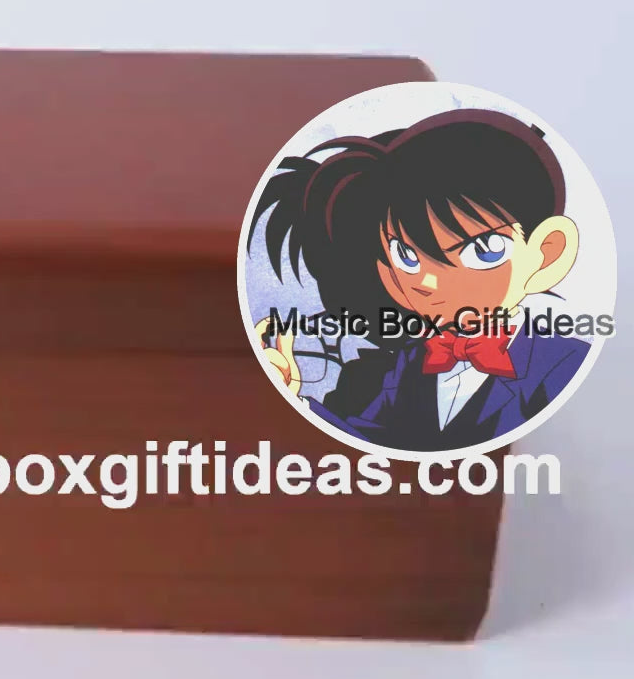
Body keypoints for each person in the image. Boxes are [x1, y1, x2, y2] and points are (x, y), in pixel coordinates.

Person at [248, 109, 590, 452]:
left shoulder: (565, 364)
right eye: (406, 256)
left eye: (483, 250)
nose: (428, 281)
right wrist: (295, 399)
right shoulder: (411, 362)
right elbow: (368, 442)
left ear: (547, 254)